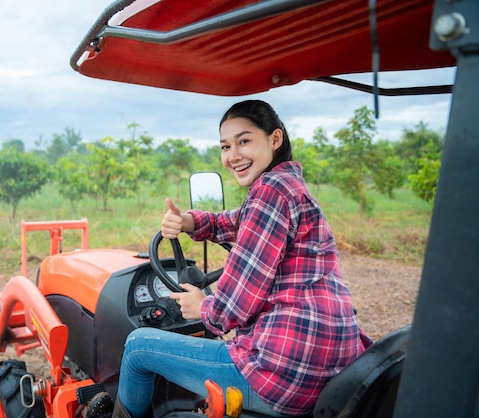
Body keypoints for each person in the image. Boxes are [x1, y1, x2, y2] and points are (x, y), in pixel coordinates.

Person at [106, 99, 372, 418]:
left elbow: (230, 309)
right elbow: (232, 222)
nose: (233, 156)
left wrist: (201, 307)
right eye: (225, 146)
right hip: (330, 362)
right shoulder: (289, 187)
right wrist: (189, 221)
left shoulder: (270, 194)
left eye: (244, 141)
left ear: (275, 139)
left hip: (284, 373)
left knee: (138, 346)